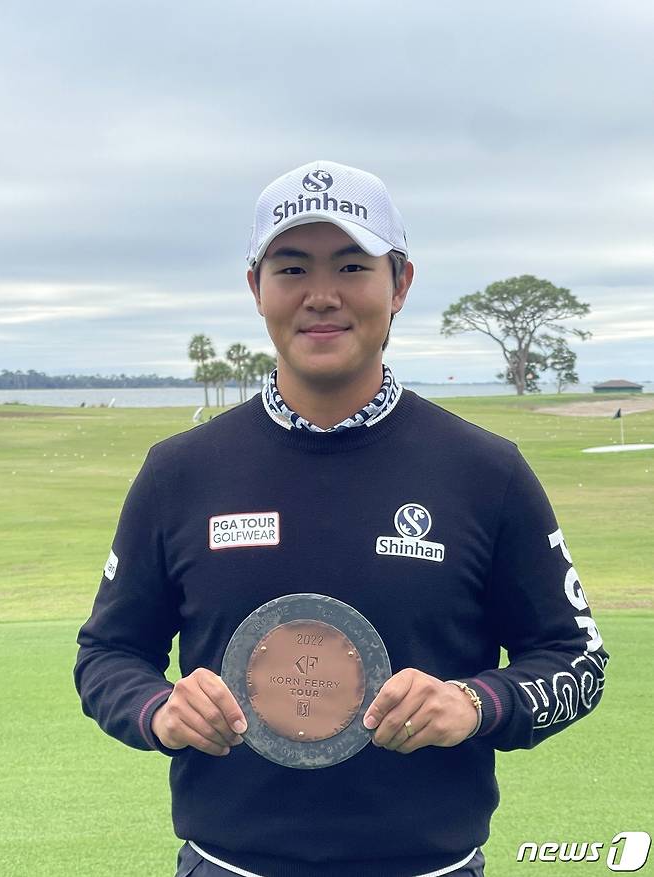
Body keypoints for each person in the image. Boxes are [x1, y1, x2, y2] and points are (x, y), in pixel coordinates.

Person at [75, 160, 609, 877]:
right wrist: (157, 710)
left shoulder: (486, 470)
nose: (321, 296)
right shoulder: (180, 471)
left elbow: (579, 659)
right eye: (291, 268)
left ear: (400, 284)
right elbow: (106, 654)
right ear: (256, 289)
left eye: (352, 265)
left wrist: (477, 703)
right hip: (227, 864)